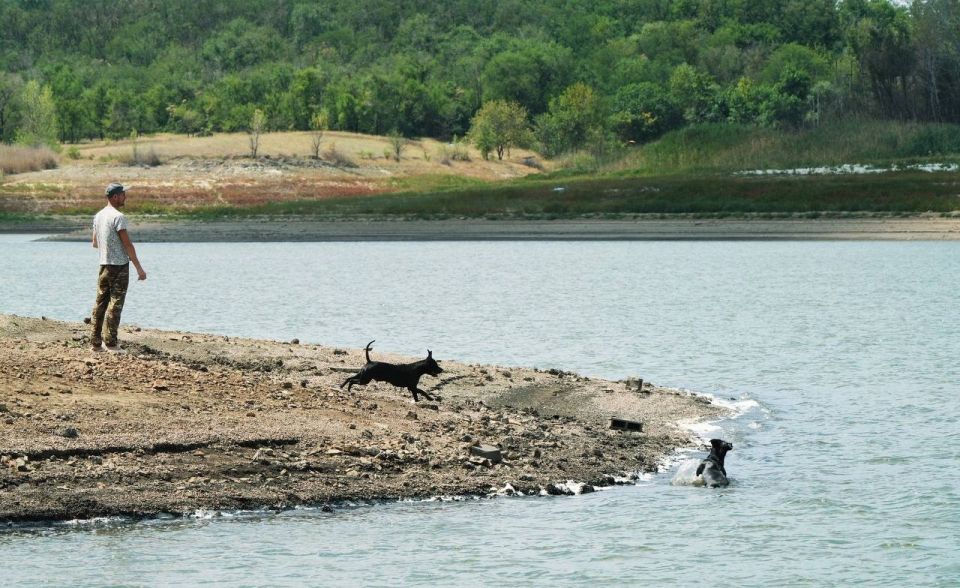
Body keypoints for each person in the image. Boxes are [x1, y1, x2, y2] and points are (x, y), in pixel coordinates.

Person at [90, 182, 147, 352]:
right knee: (115, 304)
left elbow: (94, 243)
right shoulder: (118, 217)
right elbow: (128, 245)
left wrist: (108, 248)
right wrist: (139, 268)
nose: (125, 197)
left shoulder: (98, 216)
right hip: (119, 267)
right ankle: (111, 344)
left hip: (103, 265)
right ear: (115, 197)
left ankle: (95, 343)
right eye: (123, 194)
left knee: (100, 303)